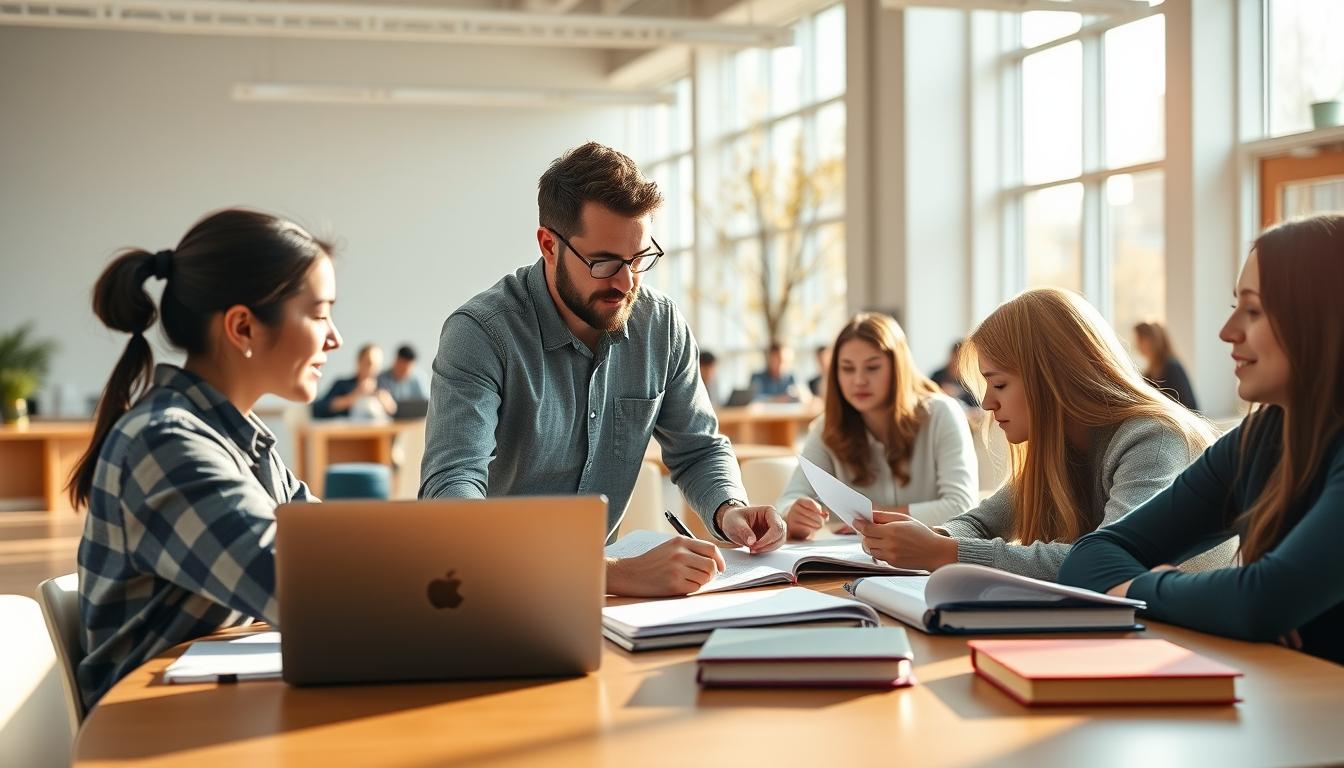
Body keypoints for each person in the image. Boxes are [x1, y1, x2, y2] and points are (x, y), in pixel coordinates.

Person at [420, 142, 785, 597]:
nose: (626, 281)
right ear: (549, 245)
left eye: (638, 259)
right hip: (492, 587)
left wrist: (729, 509)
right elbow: (451, 492)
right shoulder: (480, 334)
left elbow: (698, 450)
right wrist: (613, 573)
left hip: (605, 605)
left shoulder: (661, 325)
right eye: (605, 261)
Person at [69, 208, 341, 708]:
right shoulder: (165, 444)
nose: (334, 338)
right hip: (155, 736)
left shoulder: (237, 439)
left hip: (220, 713)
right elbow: (307, 589)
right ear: (243, 328)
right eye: (320, 313)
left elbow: (336, 547)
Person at [1061, 215, 1344, 664]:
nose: (1228, 331)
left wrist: (1145, 586)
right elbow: (1089, 557)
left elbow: (1259, 602)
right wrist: (1219, 602)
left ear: (1323, 318)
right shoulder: (1260, 437)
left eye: (1253, 310)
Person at [852, 288, 1216, 580]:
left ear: (1053, 380)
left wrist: (944, 552)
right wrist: (937, 539)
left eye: (998, 384)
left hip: (1187, 648)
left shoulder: (1152, 440)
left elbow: (1109, 558)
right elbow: (979, 522)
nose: (988, 403)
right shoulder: (1062, 448)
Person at [777, 313, 978, 540]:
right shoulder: (828, 425)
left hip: (930, 566)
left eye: (872, 368)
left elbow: (962, 507)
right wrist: (793, 514)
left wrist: (874, 518)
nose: (859, 380)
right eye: (847, 368)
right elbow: (789, 498)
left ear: (897, 369)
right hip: (855, 564)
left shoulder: (942, 413)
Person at [312, 342, 396, 420]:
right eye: (369, 363)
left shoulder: (384, 386)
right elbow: (317, 409)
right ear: (359, 361)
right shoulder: (342, 385)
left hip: (378, 434)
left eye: (377, 364)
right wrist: (353, 397)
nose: (373, 368)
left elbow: (397, 415)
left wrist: (389, 407)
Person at [1134, 321, 1199, 411]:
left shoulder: (1172, 367)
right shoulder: (1149, 372)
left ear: (1151, 340)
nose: (1136, 345)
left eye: (1140, 340)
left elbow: (1188, 404)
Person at [929, 341, 977, 408]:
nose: (957, 360)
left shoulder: (971, 380)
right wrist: (941, 392)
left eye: (961, 357)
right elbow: (929, 395)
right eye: (956, 356)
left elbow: (975, 403)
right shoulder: (937, 375)